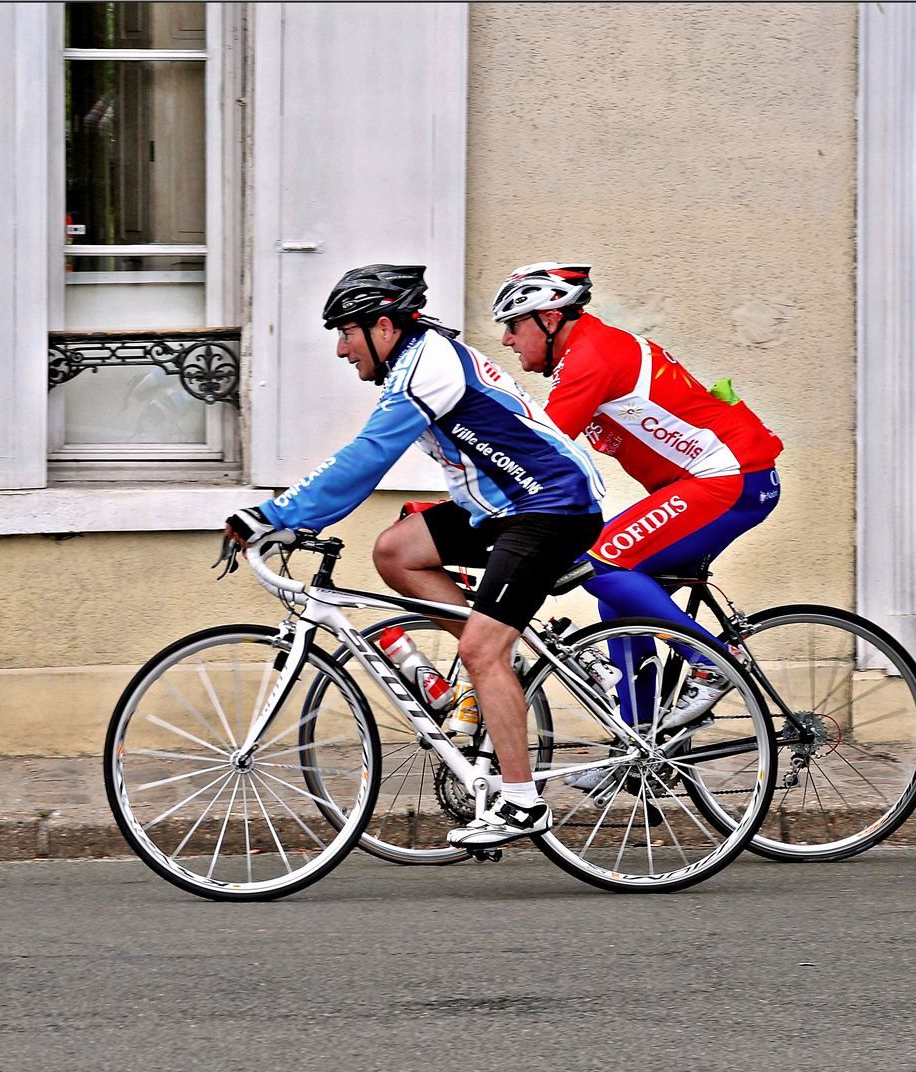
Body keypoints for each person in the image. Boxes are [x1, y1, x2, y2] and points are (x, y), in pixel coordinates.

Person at [224, 264, 606, 847]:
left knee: (481, 649)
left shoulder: (427, 367)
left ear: (382, 326)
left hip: (550, 508)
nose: (339, 349)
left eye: (346, 333)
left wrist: (275, 516)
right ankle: (500, 660)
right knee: (396, 551)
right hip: (501, 508)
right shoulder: (416, 361)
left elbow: (365, 458)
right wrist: (291, 517)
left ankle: (523, 802)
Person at [492, 261, 783, 746]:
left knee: (599, 563)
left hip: (728, 477)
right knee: (617, 595)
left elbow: (537, 453)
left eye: (514, 325)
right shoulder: (588, 352)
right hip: (717, 479)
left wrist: (457, 508)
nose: (506, 340)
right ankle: (643, 738)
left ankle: (711, 665)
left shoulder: (590, 358)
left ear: (550, 319)